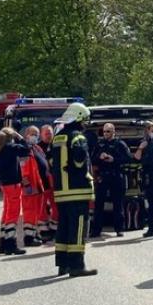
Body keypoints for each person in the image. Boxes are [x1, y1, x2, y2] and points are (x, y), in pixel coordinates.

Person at [51, 102, 98, 277]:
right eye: (85, 119)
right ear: (78, 118)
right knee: (78, 228)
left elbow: (51, 162)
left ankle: (62, 265)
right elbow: (79, 160)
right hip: (77, 190)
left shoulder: (58, 137)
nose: (86, 123)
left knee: (63, 227)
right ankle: (77, 266)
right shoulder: (78, 137)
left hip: (61, 192)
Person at [0, 127, 31, 255]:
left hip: (4, 184)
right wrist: (20, 137)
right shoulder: (10, 148)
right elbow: (26, 150)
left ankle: (3, 243)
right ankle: (10, 244)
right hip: (13, 184)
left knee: (6, 213)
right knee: (13, 215)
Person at [91, 123, 131, 237]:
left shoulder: (120, 144)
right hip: (103, 176)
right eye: (104, 131)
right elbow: (92, 159)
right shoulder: (99, 144)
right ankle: (96, 230)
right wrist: (100, 157)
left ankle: (119, 229)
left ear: (114, 132)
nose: (105, 134)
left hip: (116, 175)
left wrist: (114, 159)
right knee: (99, 204)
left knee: (118, 204)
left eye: (108, 131)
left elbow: (128, 159)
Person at [20, 126, 50, 247]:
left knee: (37, 212)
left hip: (39, 185)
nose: (35, 136)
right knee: (29, 212)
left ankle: (35, 233)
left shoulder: (36, 148)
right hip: (30, 185)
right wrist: (25, 182)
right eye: (33, 134)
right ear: (26, 134)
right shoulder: (23, 149)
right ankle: (28, 237)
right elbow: (22, 167)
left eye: (37, 134)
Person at [35, 131, 58, 242]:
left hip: (54, 182)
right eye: (46, 133)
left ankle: (54, 229)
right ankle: (44, 231)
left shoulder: (55, 145)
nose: (49, 135)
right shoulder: (37, 148)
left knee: (56, 207)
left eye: (50, 133)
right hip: (42, 183)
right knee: (42, 209)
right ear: (42, 135)